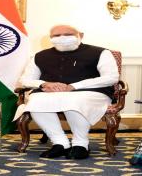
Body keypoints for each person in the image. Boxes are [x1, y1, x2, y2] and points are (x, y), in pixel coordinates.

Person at [16, 25, 119, 159]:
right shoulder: (40, 56)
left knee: (73, 100)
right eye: (56, 36)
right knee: (35, 101)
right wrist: (44, 84)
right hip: (52, 93)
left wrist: (74, 86)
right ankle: (60, 143)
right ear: (50, 39)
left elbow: (111, 77)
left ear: (80, 35)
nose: (62, 37)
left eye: (67, 34)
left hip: (92, 93)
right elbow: (25, 79)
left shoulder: (101, 52)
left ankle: (81, 144)